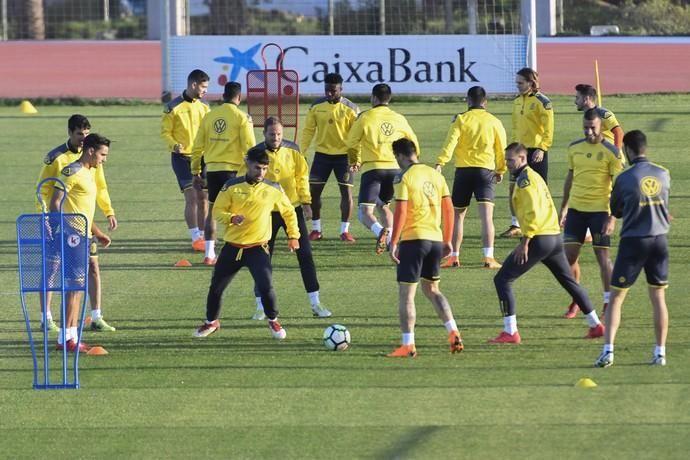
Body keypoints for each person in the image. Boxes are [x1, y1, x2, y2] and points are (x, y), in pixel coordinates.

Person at [490, 143, 604, 344]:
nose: (507, 164)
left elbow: (533, 212)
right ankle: (595, 325)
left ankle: (511, 332)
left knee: (502, 279)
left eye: (510, 160)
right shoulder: (535, 177)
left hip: (539, 238)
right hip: (553, 237)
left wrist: (525, 242)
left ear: (523, 158)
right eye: (506, 160)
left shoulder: (525, 181)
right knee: (568, 281)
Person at [193, 148, 299, 340]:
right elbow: (217, 211)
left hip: (258, 248)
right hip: (232, 248)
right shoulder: (231, 186)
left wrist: (294, 236)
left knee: (266, 286)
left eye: (265, 169)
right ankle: (211, 322)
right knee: (216, 288)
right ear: (247, 164)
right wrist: (232, 218)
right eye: (257, 168)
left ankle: (273, 320)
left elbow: (289, 212)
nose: (261, 173)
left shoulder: (273, 188)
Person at [241, 117, 332, 320]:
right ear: (264, 134)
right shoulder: (255, 154)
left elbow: (302, 177)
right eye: (272, 134)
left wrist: (307, 202)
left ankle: (315, 303)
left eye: (279, 134)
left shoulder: (293, 150)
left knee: (305, 256)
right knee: (262, 259)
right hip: (266, 213)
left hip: (292, 210)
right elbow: (245, 181)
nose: (276, 138)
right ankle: (260, 306)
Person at [595, 130, 671, 368]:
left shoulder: (625, 178)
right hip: (659, 240)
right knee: (658, 297)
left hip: (634, 241)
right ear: (645, 148)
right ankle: (660, 353)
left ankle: (608, 352)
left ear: (627, 150)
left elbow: (616, 210)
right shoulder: (663, 174)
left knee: (616, 297)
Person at [36, 115, 117, 333]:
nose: (83, 138)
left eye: (86, 134)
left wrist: (105, 217)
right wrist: (47, 218)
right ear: (70, 133)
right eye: (79, 134)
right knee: (58, 273)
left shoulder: (92, 164)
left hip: (83, 228)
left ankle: (95, 317)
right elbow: (47, 193)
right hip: (64, 228)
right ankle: (50, 320)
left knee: (90, 269)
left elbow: (96, 191)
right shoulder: (60, 160)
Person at [387, 138, 464, 358]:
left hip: (413, 240)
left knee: (407, 295)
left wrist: (393, 242)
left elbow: (401, 212)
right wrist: (448, 240)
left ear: (400, 156)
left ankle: (408, 344)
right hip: (435, 239)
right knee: (432, 290)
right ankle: (453, 331)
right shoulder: (435, 175)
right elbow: (449, 210)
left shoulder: (405, 177)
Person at [49, 133, 113, 352]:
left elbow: (82, 210)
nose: (104, 159)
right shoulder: (72, 171)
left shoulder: (89, 172)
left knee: (77, 288)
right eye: (103, 154)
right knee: (73, 288)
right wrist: (68, 230)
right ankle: (66, 340)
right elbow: (55, 203)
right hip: (72, 238)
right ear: (91, 150)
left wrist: (98, 232)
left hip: (83, 235)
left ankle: (70, 338)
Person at [559, 109, 623, 319]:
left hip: (600, 212)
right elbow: (569, 178)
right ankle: (577, 299)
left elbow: (619, 189)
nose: (589, 132)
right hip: (576, 211)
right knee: (568, 258)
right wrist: (564, 208)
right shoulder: (574, 148)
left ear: (601, 127)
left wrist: (613, 218)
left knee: (602, 257)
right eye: (585, 128)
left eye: (593, 128)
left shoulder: (612, 152)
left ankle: (607, 302)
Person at [435, 86, 506, 269]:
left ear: (467, 100)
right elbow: (501, 148)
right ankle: (488, 257)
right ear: (485, 102)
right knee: (486, 217)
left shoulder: (461, 119)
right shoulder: (494, 121)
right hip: (486, 171)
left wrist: (441, 163)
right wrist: (501, 169)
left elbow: (450, 142)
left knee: (458, 216)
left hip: (464, 171)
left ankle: (453, 257)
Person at [346, 83, 420, 254]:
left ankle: (381, 231)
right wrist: (413, 165)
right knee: (383, 205)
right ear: (389, 98)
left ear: (373, 98)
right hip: (395, 169)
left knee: (365, 212)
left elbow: (351, 143)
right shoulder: (399, 118)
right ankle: (391, 242)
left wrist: (354, 160)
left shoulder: (365, 117)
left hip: (373, 169)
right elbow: (414, 142)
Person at [191, 81, 256, 266]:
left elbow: (197, 147)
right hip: (233, 171)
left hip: (212, 171)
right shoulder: (242, 117)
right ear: (239, 97)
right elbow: (250, 148)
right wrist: (251, 172)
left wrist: (196, 171)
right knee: (237, 211)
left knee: (213, 211)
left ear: (223, 96)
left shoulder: (209, 116)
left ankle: (209, 255)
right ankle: (237, 253)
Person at [301, 73, 360, 243]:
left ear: (341, 89)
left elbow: (358, 136)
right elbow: (308, 131)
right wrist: (301, 152)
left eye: (333, 91)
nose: (329, 94)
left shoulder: (351, 108)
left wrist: (357, 158)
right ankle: (316, 229)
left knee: (346, 192)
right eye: (327, 90)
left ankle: (345, 231)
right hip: (322, 156)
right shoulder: (316, 107)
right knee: (314, 192)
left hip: (344, 157)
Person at [500, 67, 554, 239]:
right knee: (513, 188)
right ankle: (515, 224)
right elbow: (516, 127)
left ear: (531, 83)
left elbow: (548, 128)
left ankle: (543, 224)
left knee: (539, 189)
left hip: (536, 151)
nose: (518, 86)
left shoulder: (542, 102)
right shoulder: (516, 101)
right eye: (517, 83)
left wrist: (542, 148)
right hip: (519, 151)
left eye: (521, 83)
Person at [161, 69, 211, 252]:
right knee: (191, 197)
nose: (206, 90)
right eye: (204, 87)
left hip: (202, 158)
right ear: (194, 85)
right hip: (181, 158)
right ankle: (195, 237)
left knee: (203, 198)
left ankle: (205, 235)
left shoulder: (205, 107)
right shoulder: (172, 107)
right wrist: (174, 145)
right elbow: (165, 132)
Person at [574, 84, 624, 149]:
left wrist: (616, 152)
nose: (575, 102)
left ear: (586, 99)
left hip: (608, 153)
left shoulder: (603, 114)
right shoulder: (587, 115)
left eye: (577, 98)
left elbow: (619, 132)